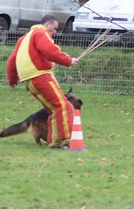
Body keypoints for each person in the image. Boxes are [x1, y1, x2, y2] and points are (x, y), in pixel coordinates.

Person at [6, 15, 80, 148]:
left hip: (30, 81)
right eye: (54, 28)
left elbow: (12, 60)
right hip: (41, 77)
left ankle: (54, 141)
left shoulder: (23, 38)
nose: (55, 32)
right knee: (64, 106)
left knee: (54, 109)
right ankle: (67, 141)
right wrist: (68, 60)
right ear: (47, 24)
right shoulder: (41, 33)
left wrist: (12, 79)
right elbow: (49, 51)